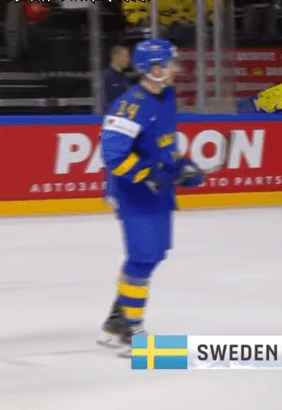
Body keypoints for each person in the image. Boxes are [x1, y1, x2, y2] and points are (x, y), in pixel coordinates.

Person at [96, 39, 204, 355]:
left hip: (157, 191)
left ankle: (115, 324)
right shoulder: (129, 106)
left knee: (153, 255)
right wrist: (148, 174)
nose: (176, 69)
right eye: (171, 64)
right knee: (142, 257)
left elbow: (166, 145)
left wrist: (184, 167)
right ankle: (132, 329)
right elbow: (113, 155)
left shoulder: (166, 97)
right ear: (155, 70)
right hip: (133, 192)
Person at [102, 45, 132, 113]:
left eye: (128, 57)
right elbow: (104, 103)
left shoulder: (126, 78)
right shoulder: (105, 77)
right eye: (125, 56)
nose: (128, 60)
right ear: (115, 57)